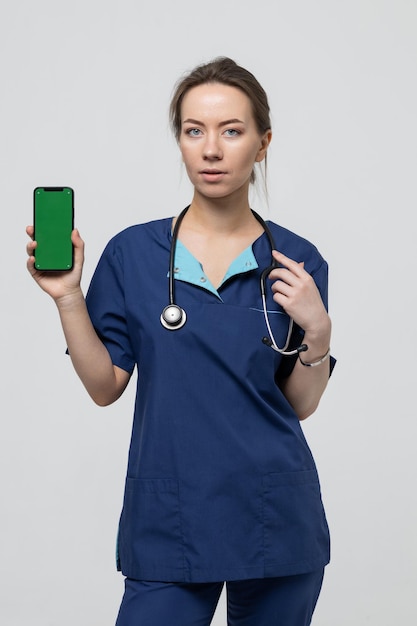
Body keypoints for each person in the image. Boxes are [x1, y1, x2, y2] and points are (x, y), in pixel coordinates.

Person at [27, 56, 335, 626]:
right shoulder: (132, 255)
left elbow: (299, 405)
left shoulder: (298, 262)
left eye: (232, 131)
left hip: (274, 516)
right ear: (180, 141)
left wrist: (317, 332)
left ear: (263, 143)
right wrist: (68, 296)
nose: (211, 149)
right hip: (171, 518)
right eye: (194, 131)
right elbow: (104, 387)